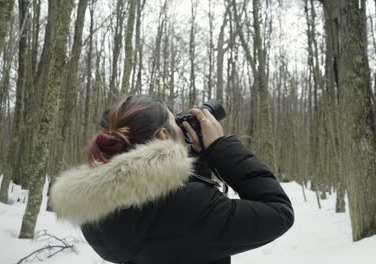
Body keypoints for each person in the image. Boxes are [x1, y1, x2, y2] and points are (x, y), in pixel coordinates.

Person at [50, 95, 294, 264]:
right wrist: (221, 147)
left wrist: (196, 158)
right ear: (164, 135)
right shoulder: (190, 207)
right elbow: (278, 212)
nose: (181, 125)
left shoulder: (101, 209)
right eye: (175, 122)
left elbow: (182, 224)